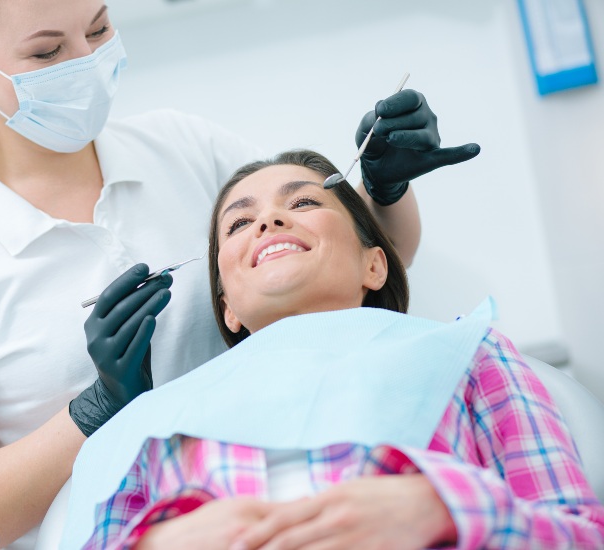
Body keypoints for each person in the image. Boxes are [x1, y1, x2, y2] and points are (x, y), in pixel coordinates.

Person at [0, 0, 479, 547]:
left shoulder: (183, 147)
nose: (87, 63)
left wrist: (384, 188)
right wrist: (95, 410)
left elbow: (367, 263)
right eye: (47, 53)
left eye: (98, 28)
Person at [68, 150, 604, 550]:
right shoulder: (155, 424)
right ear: (226, 305)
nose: (268, 222)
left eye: (303, 201)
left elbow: (580, 533)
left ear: (375, 263)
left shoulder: (469, 356)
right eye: (238, 222)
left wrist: (446, 510)